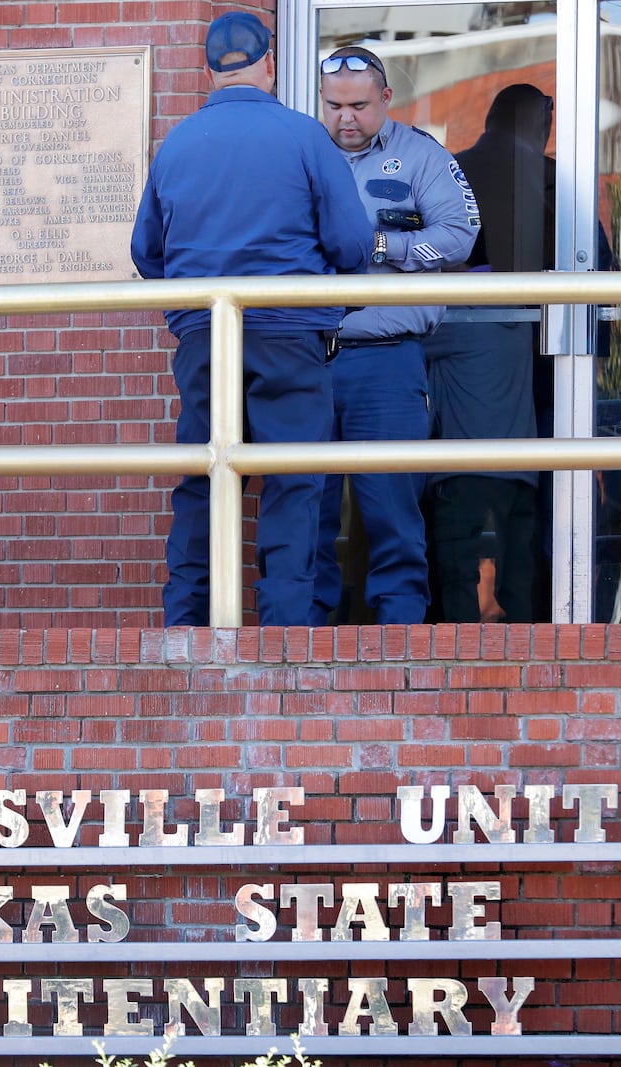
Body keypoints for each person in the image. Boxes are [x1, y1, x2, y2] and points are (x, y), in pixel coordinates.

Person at [130, 14, 374, 627]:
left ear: (208, 70)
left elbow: (146, 252)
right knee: (292, 481)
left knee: (203, 479)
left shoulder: (177, 143)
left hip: (204, 336)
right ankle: (285, 631)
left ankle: (185, 624)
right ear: (270, 64)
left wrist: (188, 304)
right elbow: (351, 241)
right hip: (289, 332)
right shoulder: (303, 135)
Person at [310, 45, 480, 625]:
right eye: (333, 106)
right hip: (303, 359)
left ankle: (398, 648)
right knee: (304, 513)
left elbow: (459, 238)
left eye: (358, 105)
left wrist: (382, 247)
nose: (345, 118)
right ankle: (296, 652)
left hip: (385, 362)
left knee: (392, 516)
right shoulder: (299, 152)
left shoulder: (420, 155)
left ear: (385, 99)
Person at [421, 84, 556, 623]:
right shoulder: (550, 181)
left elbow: (401, 333)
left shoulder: (451, 173)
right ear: (541, 123)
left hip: (464, 463)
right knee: (523, 572)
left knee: (457, 573)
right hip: (525, 458)